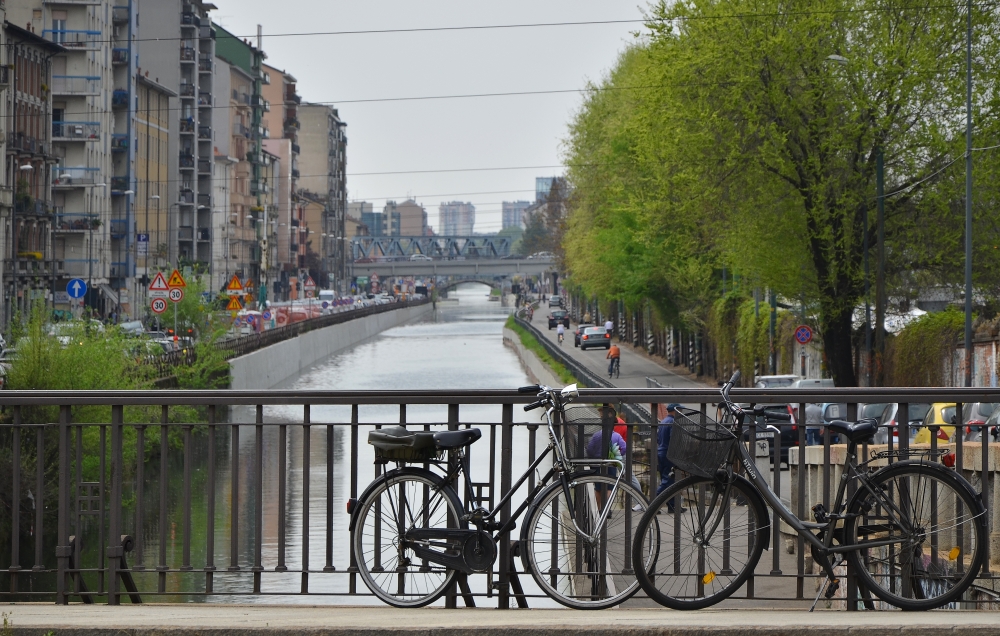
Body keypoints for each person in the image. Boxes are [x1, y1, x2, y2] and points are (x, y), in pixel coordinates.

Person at [657, 404, 685, 512]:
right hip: (669, 453)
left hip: (661, 451)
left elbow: (658, 438)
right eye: (680, 410)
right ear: (675, 411)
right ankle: (653, 503)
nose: (681, 411)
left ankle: (672, 505)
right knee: (668, 480)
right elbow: (674, 439)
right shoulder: (674, 423)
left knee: (668, 479)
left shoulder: (663, 421)